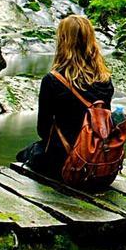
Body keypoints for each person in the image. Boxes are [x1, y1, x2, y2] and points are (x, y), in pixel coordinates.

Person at [17, 14, 115, 178]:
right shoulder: (105, 80)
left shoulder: (52, 81)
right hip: (101, 162)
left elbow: (43, 130)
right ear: (91, 41)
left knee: (25, 155)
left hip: (68, 164)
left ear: (63, 41)